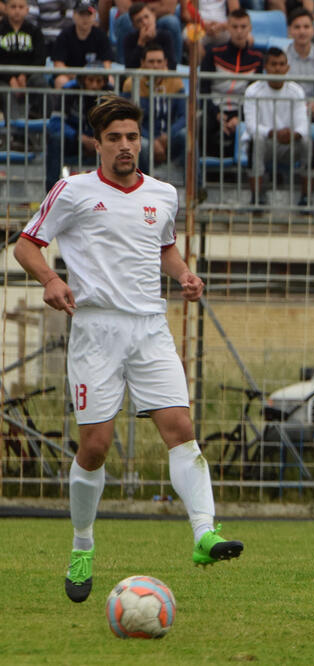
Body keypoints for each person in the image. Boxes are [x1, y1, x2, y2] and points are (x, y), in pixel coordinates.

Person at [14, 95, 244, 604]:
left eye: (132, 138)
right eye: (114, 138)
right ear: (98, 142)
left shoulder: (162, 194)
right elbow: (26, 245)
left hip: (150, 328)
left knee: (181, 430)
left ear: (142, 141)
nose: (125, 147)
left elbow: (163, 247)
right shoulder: (72, 190)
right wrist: (51, 279)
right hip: (95, 330)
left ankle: (205, 533)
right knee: (94, 446)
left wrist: (183, 272)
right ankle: (82, 546)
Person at [243, 47, 313, 207]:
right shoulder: (253, 90)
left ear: (287, 67)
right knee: (257, 140)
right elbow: (251, 126)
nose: (278, 68)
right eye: (274, 64)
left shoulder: (296, 91)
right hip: (265, 143)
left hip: (289, 144)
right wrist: (273, 133)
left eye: (282, 64)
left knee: (308, 143)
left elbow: (303, 125)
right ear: (266, 67)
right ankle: (257, 197)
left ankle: (306, 198)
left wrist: (293, 135)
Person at [200, 9, 264, 160]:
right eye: (235, 27)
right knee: (199, 126)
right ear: (228, 28)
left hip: (242, 112)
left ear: (250, 28)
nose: (239, 31)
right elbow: (203, 89)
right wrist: (216, 113)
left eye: (243, 27)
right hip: (213, 110)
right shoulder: (213, 54)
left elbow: (255, 93)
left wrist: (239, 117)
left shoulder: (257, 58)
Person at [123, 41, 186, 171]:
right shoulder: (131, 83)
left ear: (165, 63)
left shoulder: (175, 81)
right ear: (143, 63)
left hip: (169, 138)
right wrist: (152, 140)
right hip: (144, 136)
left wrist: (168, 135)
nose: (155, 66)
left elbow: (184, 116)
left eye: (159, 61)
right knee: (143, 145)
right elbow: (129, 119)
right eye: (151, 62)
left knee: (186, 135)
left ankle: (197, 188)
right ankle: (144, 187)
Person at [0, 0, 48, 122]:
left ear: (27, 10)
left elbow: (40, 58)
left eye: (21, 7)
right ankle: (15, 128)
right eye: (13, 7)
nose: (17, 10)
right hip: (3, 77)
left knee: (41, 82)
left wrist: (25, 75)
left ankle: (45, 121)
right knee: (6, 92)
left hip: (29, 76)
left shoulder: (35, 31)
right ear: (5, 8)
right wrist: (10, 78)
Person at [50, 0, 113, 89]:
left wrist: (94, 77)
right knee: (61, 80)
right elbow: (58, 65)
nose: (85, 18)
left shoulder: (101, 36)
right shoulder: (64, 36)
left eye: (88, 15)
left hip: (95, 78)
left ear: (94, 16)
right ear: (74, 15)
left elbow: (107, 65)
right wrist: (80, 76)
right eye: (81, 14)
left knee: (110, 80)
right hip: (71, 77)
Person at [120, 1, 176, 69]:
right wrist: (141, 43)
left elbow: (172, 65)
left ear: (153, 16)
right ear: (134, 26)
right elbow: (130, 67)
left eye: (146, 17)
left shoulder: (166, 36)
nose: (145, 22)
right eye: (139, 21)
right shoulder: (129, 39)